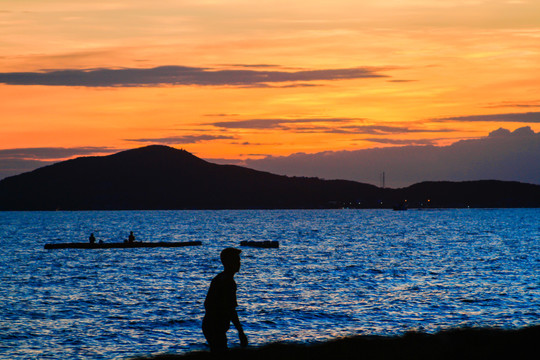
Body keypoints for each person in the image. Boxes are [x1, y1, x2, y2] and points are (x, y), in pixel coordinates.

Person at [202, 248, 248, 352]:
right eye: (236, 260)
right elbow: (230, 309)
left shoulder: (221, 278)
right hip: (214, 326)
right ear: (229, 262)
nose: (239, 263)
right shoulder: (227, 282)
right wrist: (240, 332)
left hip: (213, 325)